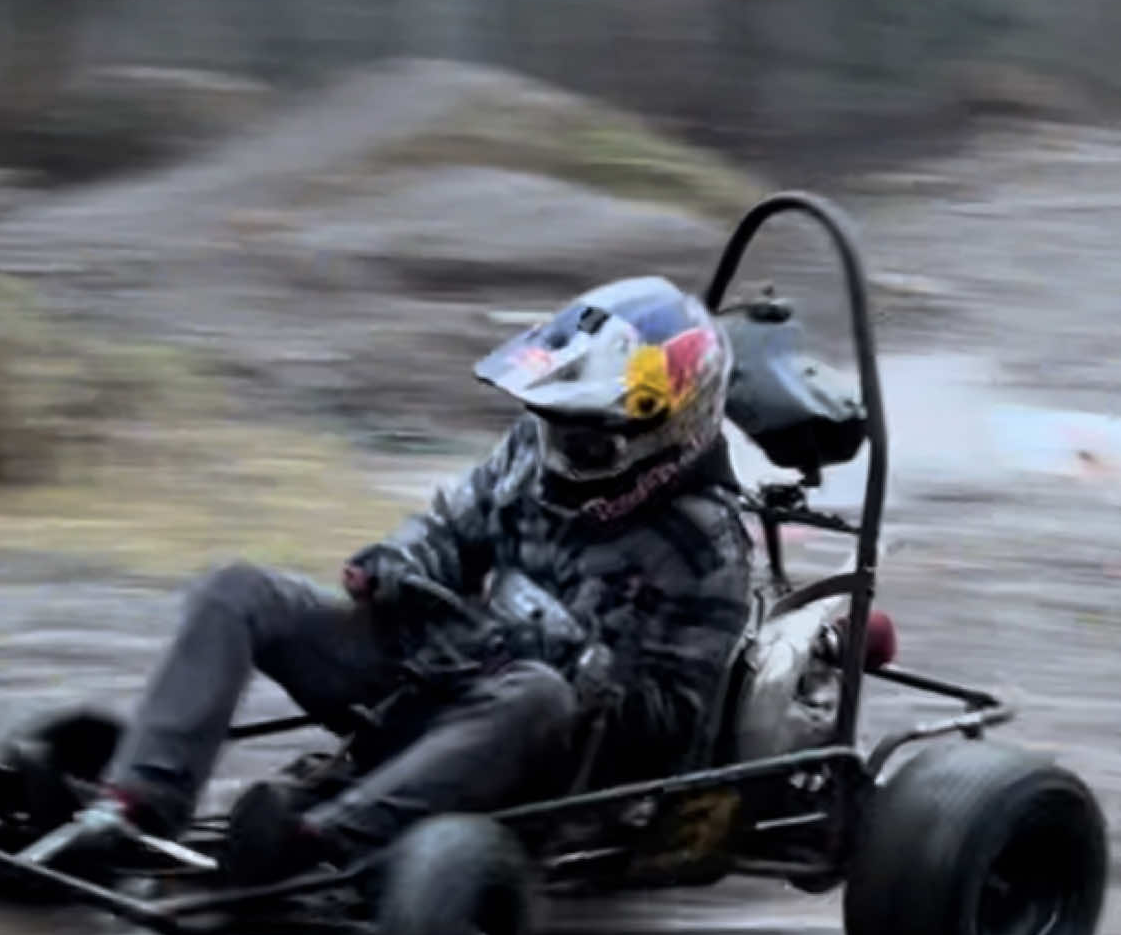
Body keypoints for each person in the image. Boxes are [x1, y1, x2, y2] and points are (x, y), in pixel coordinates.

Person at [43, 275, 753, 881]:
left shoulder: (704, 547)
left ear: (666, 433)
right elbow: (450, 526)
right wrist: (397, 562)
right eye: (556, 423)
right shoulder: (532, 456)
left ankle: (318, 842)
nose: (563, 448)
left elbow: (668, 726)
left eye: (587, 435)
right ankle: (133, 804)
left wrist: (587, 675)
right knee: (239, 589)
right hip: (447, 665)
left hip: (552, 746)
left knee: (537, 692)